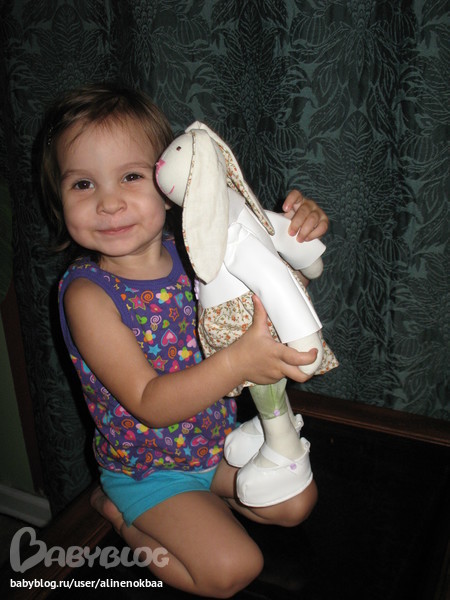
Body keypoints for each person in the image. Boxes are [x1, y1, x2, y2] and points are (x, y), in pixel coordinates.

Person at [41, 83, 329, 598]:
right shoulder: (88, 295)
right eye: (83, 184)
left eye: (131, 176)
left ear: (170, 182)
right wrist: (239, 362)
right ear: (59, 198)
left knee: (295, 505)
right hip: (148, 472)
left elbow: (271, 260)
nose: (109, 202)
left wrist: (298, 228)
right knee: (232, 570)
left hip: (215, 447)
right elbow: (150, 402)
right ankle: (121, 517)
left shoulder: (197, 251)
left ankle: (204, 508)